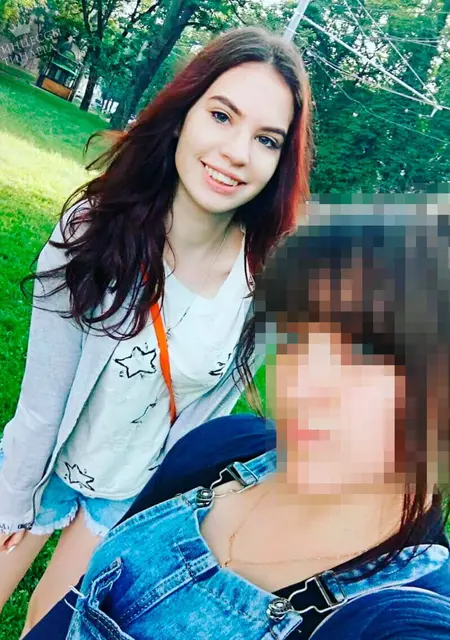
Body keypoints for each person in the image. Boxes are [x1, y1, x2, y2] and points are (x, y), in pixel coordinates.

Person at [0, 26, 312, 635]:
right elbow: (41, 403)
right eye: (221, 116)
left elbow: (205, 418)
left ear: (280, 161)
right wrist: (14, 499)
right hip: (45, 461)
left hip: (125, 495)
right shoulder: (92, 230)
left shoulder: (267, 284)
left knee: (52, 627)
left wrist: (148, 511)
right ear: (183, 115)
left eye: (266, 139)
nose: (237, 152)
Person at [26, 212, 450, 639]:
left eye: (367, 356)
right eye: (299, 340)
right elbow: (80, 602)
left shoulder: (407, 616)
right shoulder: (218, 446)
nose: (304, 387)